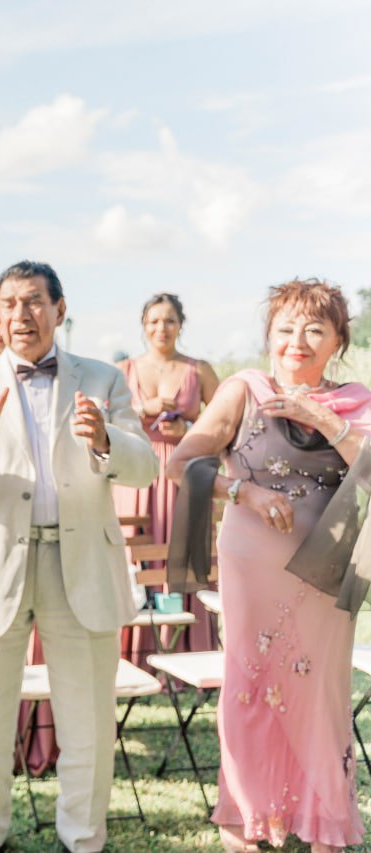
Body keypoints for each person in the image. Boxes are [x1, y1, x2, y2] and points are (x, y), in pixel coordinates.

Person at [0, 261, 157, 853]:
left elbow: (147, 465)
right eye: (9, 304)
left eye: (34, 302)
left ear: (59, 310)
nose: (21, 315)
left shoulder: (104, 378)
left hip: (82, 563)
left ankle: (82, 838)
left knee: (86, 715)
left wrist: (107, 441)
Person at [168, 279, 368, 852]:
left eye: (313, 329)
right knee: (249, 691)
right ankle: (250, 821)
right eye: (285, 329)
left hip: (328, 577)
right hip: (252, 570)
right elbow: (184, 463)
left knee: (321, 698)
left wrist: (325, 420)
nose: (297, 341)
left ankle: (321, 826)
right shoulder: (243, 390)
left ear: (337, 340)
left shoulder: (356, 401)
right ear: (268, 337)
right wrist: (245, 493)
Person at [113, 293, 220, 655]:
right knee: (134, 552)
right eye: (154, 321)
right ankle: (134, 653)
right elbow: (105, 419)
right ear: (144, 326)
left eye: (170, 320)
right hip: (135, 474)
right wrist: (144, 408)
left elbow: (226, 424)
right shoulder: (123, 371)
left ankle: (190, 648)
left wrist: (189, 429)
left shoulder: (199, 369)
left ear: (181, 325)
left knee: (185, 550)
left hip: (185, 473)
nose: (162, 328)